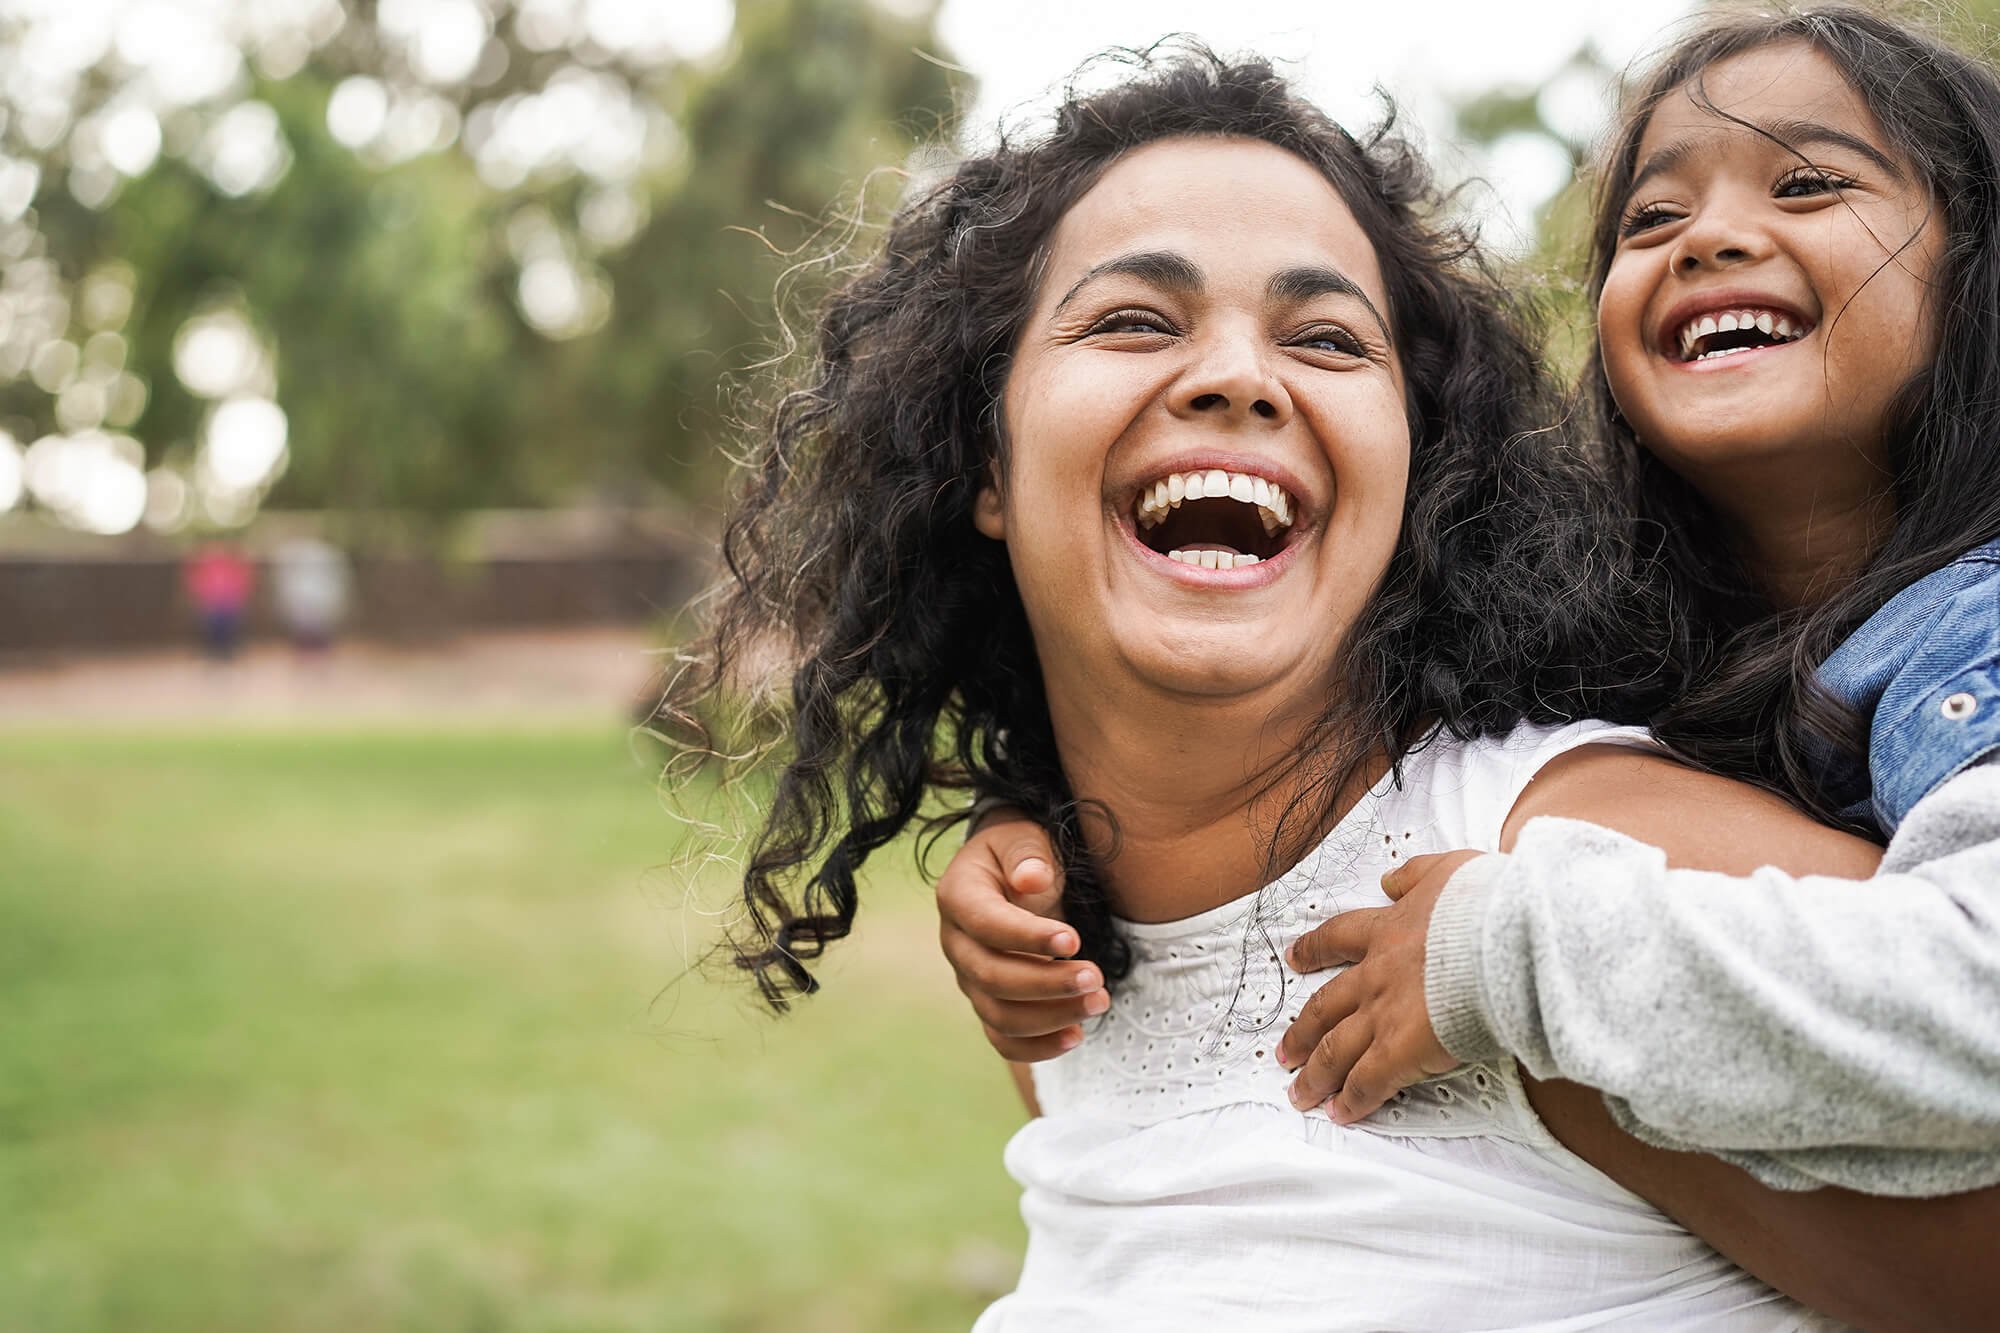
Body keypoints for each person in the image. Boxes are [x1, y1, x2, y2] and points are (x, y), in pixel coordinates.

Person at [674, 46, 1995, 1329]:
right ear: (984, 462)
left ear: (1414, 474)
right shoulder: (1058, 968)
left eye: (1324, 338)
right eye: (1135, 319)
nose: (1239, 377)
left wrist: (1520, 967)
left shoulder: (1575, 874)